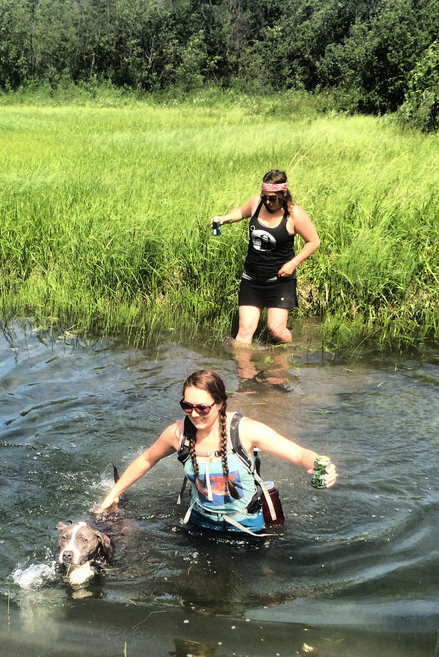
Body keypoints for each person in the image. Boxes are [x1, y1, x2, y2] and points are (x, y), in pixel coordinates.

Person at [96, 370, 337, 539]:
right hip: (199, 526)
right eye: (187, 406)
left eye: (202, 407)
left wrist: (320, 465)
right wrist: (112, 496)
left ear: (220, 403)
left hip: (248, 530)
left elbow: (299, 454)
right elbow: (146, 459)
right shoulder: (178, 433)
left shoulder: (245, 431)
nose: (194, 414)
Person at [211, 169, 320, 344]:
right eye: (265, 197)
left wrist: (293, 263)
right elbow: (242, 212)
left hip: (280, 280)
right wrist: (224, 219)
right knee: (244, 332)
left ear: (283, 193)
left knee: (277, 331)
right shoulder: (257, 203)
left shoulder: (294, 214)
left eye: (272, 198)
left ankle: (292, 350)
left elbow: (313, 241)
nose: (267, 202)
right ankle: (242, 363)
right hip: (252, 278)